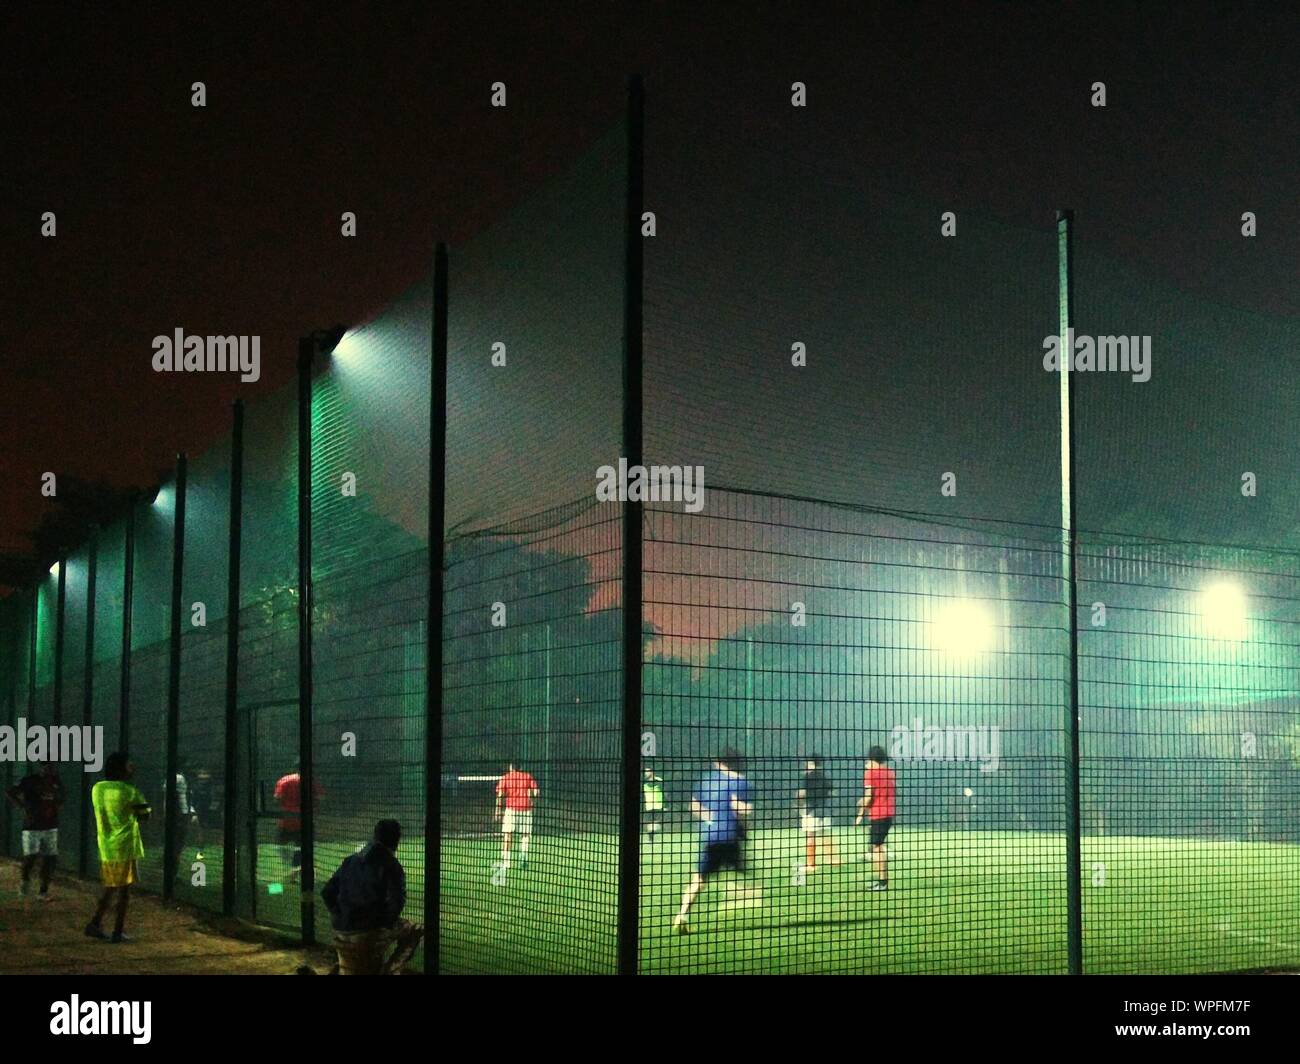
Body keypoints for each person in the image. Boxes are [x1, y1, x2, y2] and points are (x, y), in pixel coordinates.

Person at [321, 819, 425, 975]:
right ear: (396, 840)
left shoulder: (351, 860)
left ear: (375, 836)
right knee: (415, 930)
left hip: (340, 929)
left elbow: (327, 892)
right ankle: (390, 971)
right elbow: (397, 902)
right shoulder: (391, 864)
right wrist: (382, 924)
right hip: (367, 932)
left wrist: (340, 914)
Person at [672, 748, 753, 935]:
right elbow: (742, 809)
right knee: (745, 871)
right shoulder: (740, 782)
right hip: (730, 837)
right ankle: (739, 885)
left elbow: (693, 805)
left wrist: (710, 818)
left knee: (699, 880)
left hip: (711, 837)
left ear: (719, 762)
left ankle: (682, 915)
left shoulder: (707, 780)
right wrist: (744, 824)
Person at [86, 753, 151, 942]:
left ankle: (96, 924)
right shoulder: (130, 791)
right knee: (123, 891)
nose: (133, 769)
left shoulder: (97, 788)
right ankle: (116, 931)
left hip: (106, 845)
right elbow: (145, 815)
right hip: (124, 846)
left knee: (112, 887)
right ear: (121, 769)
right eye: (129, 766)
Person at [5, 757, 64, 901]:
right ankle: (24, 881)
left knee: (50, 859)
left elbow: (61, 797)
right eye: (46, 766)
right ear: (41, 767)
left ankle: (43, 891)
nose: (49, 768)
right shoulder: (30, 780)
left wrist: (57, 805)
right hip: (32, 826)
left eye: (52, 766)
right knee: (30, 857)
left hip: (50, 825)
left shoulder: (56, 781)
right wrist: (23, 807)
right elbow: (10, 792)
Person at [854, 745, 896, 892]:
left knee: (877, 848)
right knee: (877, 846)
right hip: (889, 814)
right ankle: (881, 881)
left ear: (871, 758)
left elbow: (869, 796)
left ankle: (882, 883)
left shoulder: (870, 773)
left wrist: (860, 813)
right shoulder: (890, 772)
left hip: (878, 815)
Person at [274, 763, 322, 884]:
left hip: (286, 820)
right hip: (304, 821)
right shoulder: (310, 782)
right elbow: (318, 799)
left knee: (281, 848)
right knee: (302, 849)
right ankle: (295, 875)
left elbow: (277, 798)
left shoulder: (284, 780)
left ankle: (282, 878)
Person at [494, 762, 538, 870]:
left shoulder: (505, 778)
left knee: (507, 835)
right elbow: (536, 792)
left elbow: (499, 795)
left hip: (511, 809)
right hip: (526, 809)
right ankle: (523, 856)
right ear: (521, 767)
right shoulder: (527, 777)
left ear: (510, 767)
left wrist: (498, 810)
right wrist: (532, 802)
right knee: (525, 835)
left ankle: (506, 862)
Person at [797, 756, 837, 873]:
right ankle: (832, 859)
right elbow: (832, 792)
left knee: (810, 836)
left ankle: (811, 864)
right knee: (825, 835)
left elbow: (803, 793)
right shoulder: (825, 776)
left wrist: (799, 797)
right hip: (824, 810)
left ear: (811, 763)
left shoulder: (808, 776)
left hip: (811, 809)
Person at [643, 766, 665, 846]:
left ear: (652, 772)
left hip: (658, 805)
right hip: (649, 806)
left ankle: (652, 837)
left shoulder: (659, 781)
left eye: (647, 771)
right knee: (650, 824)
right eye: (645, 772)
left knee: (655, 823)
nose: (646, 773)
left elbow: (665, 793)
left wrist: (665, 805)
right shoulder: (644, 783)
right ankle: (650, 839)